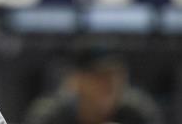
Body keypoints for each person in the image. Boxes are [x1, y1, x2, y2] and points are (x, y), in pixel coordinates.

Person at [24, 49, 163, 124]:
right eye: (99, 76)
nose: (110, 84)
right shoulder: (51, 114)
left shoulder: (137, 112)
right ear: (76, 80)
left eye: (116, 75)